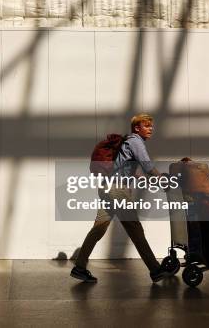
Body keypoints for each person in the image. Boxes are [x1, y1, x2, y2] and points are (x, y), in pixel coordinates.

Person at [70, 113, 172, 283]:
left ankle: (79, 267)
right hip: (117, 190)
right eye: (147, 126)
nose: (151, 129)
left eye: (151, 126)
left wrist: (144, 179)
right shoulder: (135, 141)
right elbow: (147, 164)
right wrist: (161, 179)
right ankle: (155, 270)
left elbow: (128, 167)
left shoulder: (127, 142)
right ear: (137, 128)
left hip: (106, 187)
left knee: (99, 228)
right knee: (134, 228)